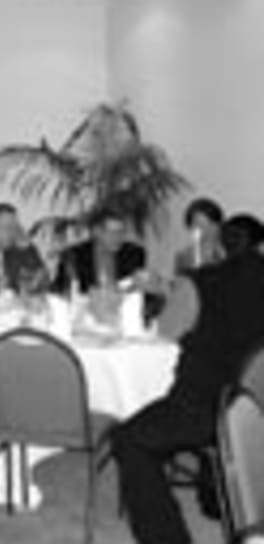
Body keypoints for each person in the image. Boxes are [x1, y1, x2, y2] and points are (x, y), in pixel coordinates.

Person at [112, 213, 264, 544]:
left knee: (128, 439)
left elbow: (167, 330)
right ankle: (219, 499)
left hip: (207, 407)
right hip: (256, 407)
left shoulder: (201, 282)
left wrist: (171, 293)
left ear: (219, 247)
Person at [52, 206, 146, 294]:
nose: (118, 237)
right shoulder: (74, 255)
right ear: (96, 231)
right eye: (112, 232)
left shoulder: (134, 253)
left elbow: (136, 287)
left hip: (123, 303)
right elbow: (61, 290)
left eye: (121, 232)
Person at [174, 197, 225, 275]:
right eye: (199, 225)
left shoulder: (229, 253)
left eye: (211, 224)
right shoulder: (184, 257)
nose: (207, 231)